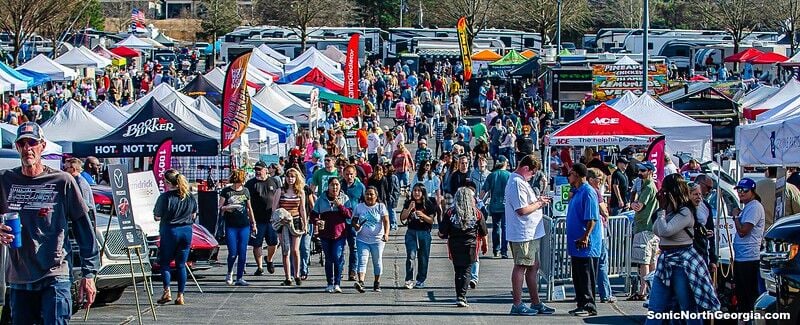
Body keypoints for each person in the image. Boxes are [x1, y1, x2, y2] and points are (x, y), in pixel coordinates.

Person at [0, 122, 99, 323]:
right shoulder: (5, 180)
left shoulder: (62, 181)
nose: (28, 148)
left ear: (42, 146)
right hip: (20, 276)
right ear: (17, 147)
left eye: (33, 143)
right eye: (23, 144)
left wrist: (89, 274)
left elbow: (84, 229)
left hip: (55, 273)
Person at [647, 174, 720, 323]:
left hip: (682, 262)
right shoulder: (669, 210)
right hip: (666, 260)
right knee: (655, 309)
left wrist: (661, 210)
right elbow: (656, 229)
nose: (661, 193)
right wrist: (663, 209)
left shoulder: (685, 211)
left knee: (688, 308)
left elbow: (666, 231)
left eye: (664, 190)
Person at [505, 154, 555, 316]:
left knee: (533, 266)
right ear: (526, 169)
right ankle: (517, 304)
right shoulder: (516, 183)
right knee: (521, 266)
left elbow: (526, 205)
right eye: (532, 173)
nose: (533, 176)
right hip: (523, 233)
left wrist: (537, 201)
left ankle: (535, 302)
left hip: (530, 232)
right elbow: (521, 210)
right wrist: (539, 203)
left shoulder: (521, 182)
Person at [438, 187, 488, 307]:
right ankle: (462, 296)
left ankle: (459, 295)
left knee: (458, 271)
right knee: (466, 271)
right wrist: (485, 245)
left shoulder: (450, 212)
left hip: (455, 245)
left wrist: (443, 233)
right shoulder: (477, 213)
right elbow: (483, 232)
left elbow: (442, 232)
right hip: (471, 245)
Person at [153, 169, 197, 305]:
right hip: (186, 231)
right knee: (181, 264)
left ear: (167, 182)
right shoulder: (189, 196)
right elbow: (194, 215)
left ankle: (167, 291)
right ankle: (180, 295)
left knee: (165, 263)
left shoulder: (165, 197)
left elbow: (157, 216)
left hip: (170, 231)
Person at [565, 164, 602, 316]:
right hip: (576, 243)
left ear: (578, 175)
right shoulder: (577, 192)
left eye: (571, 174)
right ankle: (581, 303)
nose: (568, 177)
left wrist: (586, 236)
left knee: (586, 276)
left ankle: (589, 306)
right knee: (578, 276)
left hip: (586, 244)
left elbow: (592, 218)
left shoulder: (588, 192)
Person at [311, 178, 352, 293]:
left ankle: (337, 283)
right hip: (325, 233)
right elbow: (313, 214)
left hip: (339, 234)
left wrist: (340, 205)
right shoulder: (321, 199)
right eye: (332, 185)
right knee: (328, 259)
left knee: (337, 256)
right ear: (328, 186)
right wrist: (317, 221)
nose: (335, 187)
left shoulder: (345, 199)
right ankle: (330, 283)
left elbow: (349, 214)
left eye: (337, 185)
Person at [731, 178, 766, 315]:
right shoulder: (749, 207)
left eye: (744, 190)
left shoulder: (754, 207)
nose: (741, 193)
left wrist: (736, 217)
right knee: (742, 295)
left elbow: (743, 231)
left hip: (749, 258)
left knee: (748, 295)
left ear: (752, 191)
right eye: (739, 190)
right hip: (742, 257)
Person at [219, 169, 257, 286]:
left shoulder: (245, 191)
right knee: (232, 252)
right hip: (231, 225)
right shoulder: (226, 191)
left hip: (244, 224)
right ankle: (230, 271)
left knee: (243, 252)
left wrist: (253, 223)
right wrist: (227, 208)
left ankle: (239, 277)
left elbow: (249, 208)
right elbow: (220, 207)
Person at [628, 161, 659, 301]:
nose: (640, 173)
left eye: (643, 171)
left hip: (644, 227)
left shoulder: (648, 187)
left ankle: (643, 290)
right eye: (639, 170)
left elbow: (638, 206)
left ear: (650, 172)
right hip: (650, 229)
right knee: (651, 261)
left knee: (644, 262)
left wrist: (632, 202)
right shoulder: (647, 185)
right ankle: (652, 290)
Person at [245, 161, 282, 276]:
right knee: (257, 244)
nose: (257, 172)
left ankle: (269, 259)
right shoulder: (250, 184)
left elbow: (279, 196)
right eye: (256, 169)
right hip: (257, 219)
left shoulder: (274, 181)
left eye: (260, 169)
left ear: (266, 170)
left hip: (271, 219)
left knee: (273, 243)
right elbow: (246, 201)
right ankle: (260, 267)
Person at [272, 168, 308, 286]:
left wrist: (305, 223)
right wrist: (277, 218)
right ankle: (288, 277)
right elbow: (275, 207)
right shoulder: (280, 191)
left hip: (296, 221)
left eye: (292, 176)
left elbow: (302, 208)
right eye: (288, 176)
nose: (290, 179)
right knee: (285, 250)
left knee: (295, 250)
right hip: (283, 222)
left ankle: (296, 274)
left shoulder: (300, 192)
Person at [352, 186, 390, 293]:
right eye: (367, 194)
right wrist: (356, 226)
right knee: (362, 260)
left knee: (377, 261)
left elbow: (386, 221)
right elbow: (354, 221)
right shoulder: (359, 207)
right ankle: (361, 282)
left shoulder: (380, 207)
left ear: (376, 196)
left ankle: (377, 283)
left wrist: (386, 234)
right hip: (362, 239)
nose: (369, 196)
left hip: (377, 240)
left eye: (371, 194)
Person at [401, 183, 438, 289]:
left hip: (424, 233)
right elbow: (403, 218)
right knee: (411, 256)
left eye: (419, 191)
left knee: (423, 257)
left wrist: (423, 216)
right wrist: (409, 209)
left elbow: (431, 221)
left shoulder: (429, 204)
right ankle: (409, 279)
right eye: (414, 190)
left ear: (423, 193)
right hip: (411, 232)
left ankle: (420, 279)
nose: (416, 193)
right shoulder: (409, 202)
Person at [587, 168, 615, 303]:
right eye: (599, 179)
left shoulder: (580, 191)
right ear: (591, 180)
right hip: (598, 232)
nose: (601, 182)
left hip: (589, 232)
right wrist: (605, 213)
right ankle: (606, 294)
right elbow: (604, 210)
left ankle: (589, 293)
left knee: (589, 265)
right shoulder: (595, 192)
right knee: (602, 263)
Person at [483, 156, 511, 258]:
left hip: (494, 205)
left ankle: (496, 249)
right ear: (505, 163)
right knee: (505, 227)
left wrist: (478, 202)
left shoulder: (492, 175)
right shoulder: (509, 175)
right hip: (506, 205)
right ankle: (504, 250)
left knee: (496, 227)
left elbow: (484, 190)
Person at [341, 165, 365, 281]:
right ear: (343, 174)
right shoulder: (339, 185)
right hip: (340, 220)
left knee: (353, 247)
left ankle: (352, 271)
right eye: (347, 174)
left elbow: (365, 203)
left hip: (353, 220)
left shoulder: (360, 186)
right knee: (340, 247)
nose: (349, 176)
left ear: (355, 174)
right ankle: (339, 270)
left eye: (351, 174)